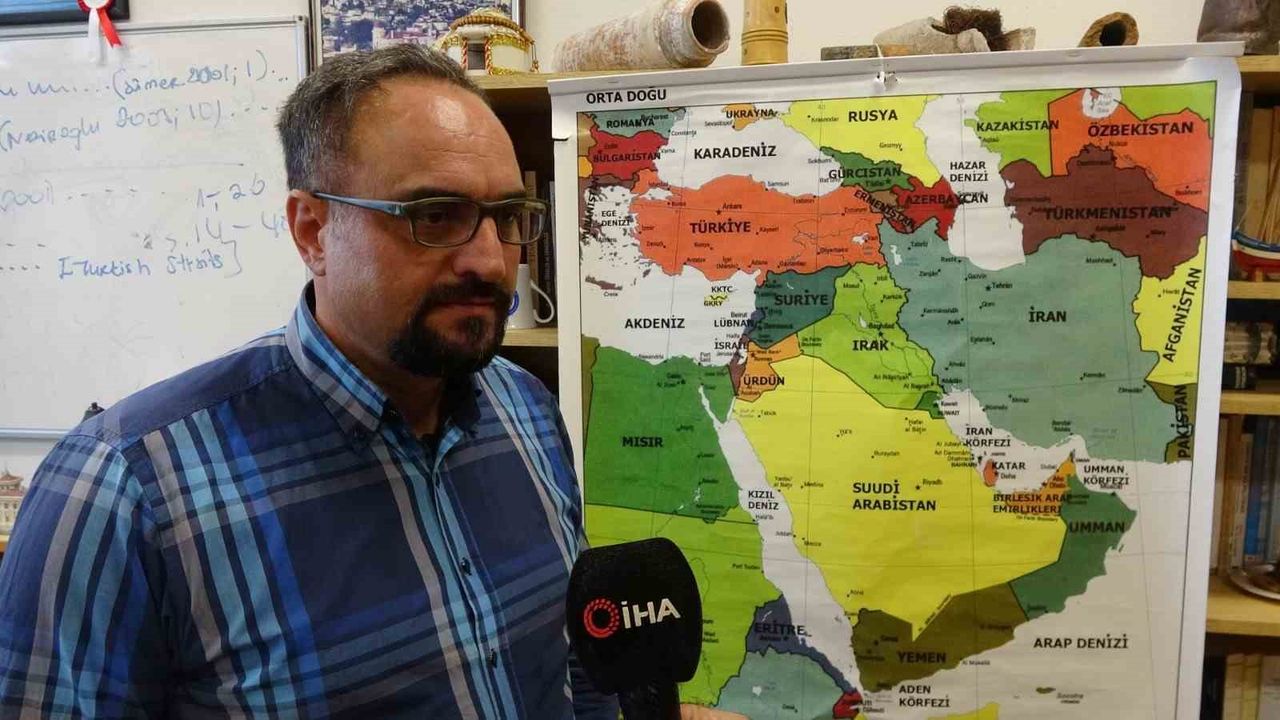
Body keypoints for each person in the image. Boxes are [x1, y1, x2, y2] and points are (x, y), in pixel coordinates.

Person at [0, 46, 744, 719]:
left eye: (507, 216)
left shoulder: (526, 411)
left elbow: (572, 667)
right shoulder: (124, 489)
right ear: (312, 231)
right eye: (435, 215)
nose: (490, 261)